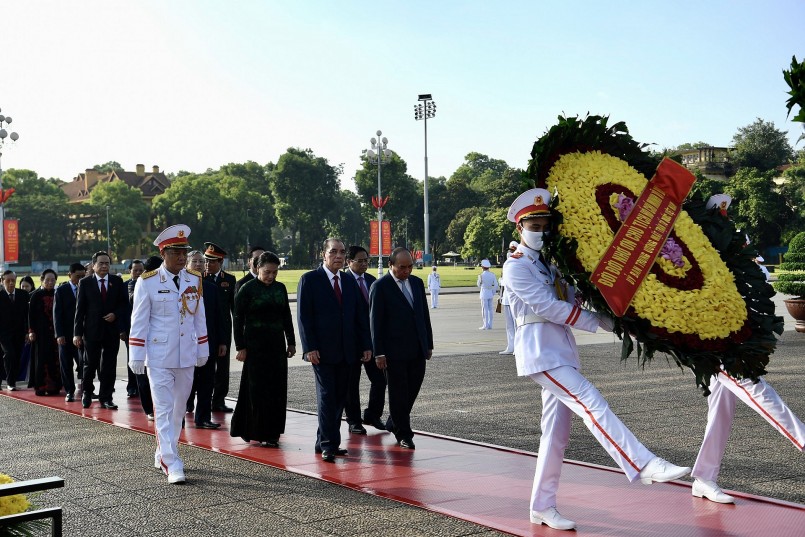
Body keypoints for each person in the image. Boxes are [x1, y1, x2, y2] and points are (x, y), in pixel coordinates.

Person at [505, 188, 691, 531]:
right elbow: (548, 307)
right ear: (520, 227)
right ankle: (643, 463)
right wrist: (599, 323)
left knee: (555, 436)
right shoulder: (515, 266)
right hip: (541, 354)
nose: (541, 232)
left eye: (545, 226)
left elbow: (575, 299)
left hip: (560, 352)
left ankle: (542, 507)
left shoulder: (551, 263)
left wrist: (616, 317)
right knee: (591, 401)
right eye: (534, 226)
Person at [689, 196, 804, 504]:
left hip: (735, 334)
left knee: (721, 412)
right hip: (713, 342)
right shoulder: (697, 251)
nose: (724, 222)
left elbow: (761, 276)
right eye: (718, 218)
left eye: (725, 216)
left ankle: (704, 478)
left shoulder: (737, 242)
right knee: (757, 390)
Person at [129, 224, 208, 484]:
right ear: (163, 254)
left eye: (184, 252)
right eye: (176, 253)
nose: (182, 257)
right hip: (159, 355)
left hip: (186, 354)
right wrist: (136, 354)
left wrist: (202, 347)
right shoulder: (148, 281)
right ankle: (171, 461)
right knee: (163, 409)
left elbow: (199, 318)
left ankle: (164, 451)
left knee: (178, 410)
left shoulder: (194, 279)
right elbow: (139, 320)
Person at [297, 238, 372, 462]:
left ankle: (323, 441)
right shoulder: (310, 280)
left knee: (339, 398)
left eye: (341, 252)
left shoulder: (349, 281)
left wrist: (366, 345)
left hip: (347, 351)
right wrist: (309, 347)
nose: (338, 256)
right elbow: (304, 317)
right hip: (321, 352)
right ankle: (329, 444)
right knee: (327, 397)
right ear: (324, 254)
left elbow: (359, 316)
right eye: (333, 252)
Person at [369, 247, 433, 449]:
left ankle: (394, 421)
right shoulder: (380, 287)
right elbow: (375, 323)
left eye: (410, 267)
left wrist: (428, 343)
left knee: (412, 389)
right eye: (402, 267)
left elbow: (423, 315)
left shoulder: (416, 283)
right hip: (393, 352)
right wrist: (379, 352)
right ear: (391, 265)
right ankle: (404, 433)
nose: (407, 271)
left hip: (417, 348)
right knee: (398, 393)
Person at [231, 251, 296, 447]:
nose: (271, 276)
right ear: (257, 268)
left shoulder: (280, 288)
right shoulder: (247, 289)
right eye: (267, 272)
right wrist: (241, 346)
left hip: (276, 346)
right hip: (255, 347)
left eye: (275, 272)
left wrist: (291, 342)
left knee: (276, 388)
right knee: (257, 389)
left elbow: (286, 316)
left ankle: (273, 432)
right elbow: (237, 320)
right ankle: (256, 430)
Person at [73, 251, 128, 410]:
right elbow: (80, 310)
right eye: (101, 263)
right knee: (89, 364)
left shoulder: (117, 281)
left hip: (111, 331)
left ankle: (106, 397)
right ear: (94, 265)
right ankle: (87, 393)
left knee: (109, 366)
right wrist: (77, 333)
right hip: (91, 331)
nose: (104, 266)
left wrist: (115, 314)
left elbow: (124, 304)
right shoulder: (85, 283)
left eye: (107, 263)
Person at [343, 245, 386, 433]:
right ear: (349, 262)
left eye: (366, 260)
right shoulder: (343, 282)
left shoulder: (371, 281)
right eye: (359, 261)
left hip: (372, 340)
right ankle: (353, 420)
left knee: (380, 380)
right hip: (352, 342)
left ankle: (373, 414)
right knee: (352, 384)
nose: (364, 264)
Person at [186, 250, 226, 429]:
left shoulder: (211, 288)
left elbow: (219, 317)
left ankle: (202, 418)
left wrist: (222, 341)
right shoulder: (180, 287)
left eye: (201, 262)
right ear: (187, 264)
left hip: (207, 343)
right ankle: (181, 412)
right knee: (186, 381)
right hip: (185, 344)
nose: (199, 265)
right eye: (195, 261)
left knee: (207, 381)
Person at [203, 242, 237, 413]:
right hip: (205, 329)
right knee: (204, 367)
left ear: (220, 262)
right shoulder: (199, 278)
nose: (208, 264)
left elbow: (234, 309)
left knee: (223, 368)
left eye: (212, 261)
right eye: (206, 260)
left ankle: (219, 401)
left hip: (223, 330)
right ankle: (202, 400)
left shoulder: (229, 280)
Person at [54, 262, 85, 402]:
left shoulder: (87, 287)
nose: (80, 279)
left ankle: (87, 390)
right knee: (66, 365)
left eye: (83, 276)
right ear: (69, 275)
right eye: (78, 276)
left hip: (82, 335)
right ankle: (70, 391)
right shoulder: (61, 290)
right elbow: (57, 314)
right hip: (65, 335)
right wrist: (59, 334)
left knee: (84, 363)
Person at [27, 269, 62, 396]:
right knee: (41, 359)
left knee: (55, 359)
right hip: (40, 333)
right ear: (42, 280)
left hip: (55, 333)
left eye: (53, 280)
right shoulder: (36, 295)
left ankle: (54, 386)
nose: (50, 282)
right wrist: (31, 331)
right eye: (47, 280)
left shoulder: (58, 294)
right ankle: (41, 386)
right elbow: (30, 315)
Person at [0, 271, 30, 391]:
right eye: (8, 281)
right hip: (3, 334)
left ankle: (12, 381)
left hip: (19, 333)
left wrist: (28, 331)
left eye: (13, 280)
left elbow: (27, 315)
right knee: (9, 354)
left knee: (16, 357)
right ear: (2, 281)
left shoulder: (23, 295)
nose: (11, 283)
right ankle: (10, 382)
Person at [123, 260, 145, 398]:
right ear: (129, 271)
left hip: (147, 329)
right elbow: (121, 309)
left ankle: (144, 386)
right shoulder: (124, 286)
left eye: (141, 270)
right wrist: (121, 330)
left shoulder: (148, 284)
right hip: (130, 329)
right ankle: (132, 386)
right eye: (135, 270)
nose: (138, 273)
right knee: (132, 358)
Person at [499, 241, 519, 355]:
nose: (509, 253)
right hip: (506, 298)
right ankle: (510, 346)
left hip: (515, 298)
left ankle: (518, 347)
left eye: (512, 250)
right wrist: (500, 296)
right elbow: (502, 284)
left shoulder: (518, 265)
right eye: (510, 250)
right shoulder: (506, 265)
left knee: (517, 324)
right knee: (509, 325)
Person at [476, 259, 498, 330]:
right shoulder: (492, 275)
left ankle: (485, 325)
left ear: (482, 267)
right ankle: (490, 324)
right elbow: (496, 285)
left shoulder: (481, 275)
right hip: (490, 292)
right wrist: (493, 292)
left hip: (484, 293)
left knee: (484, 309)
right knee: (490, 309)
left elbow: (478, 285)